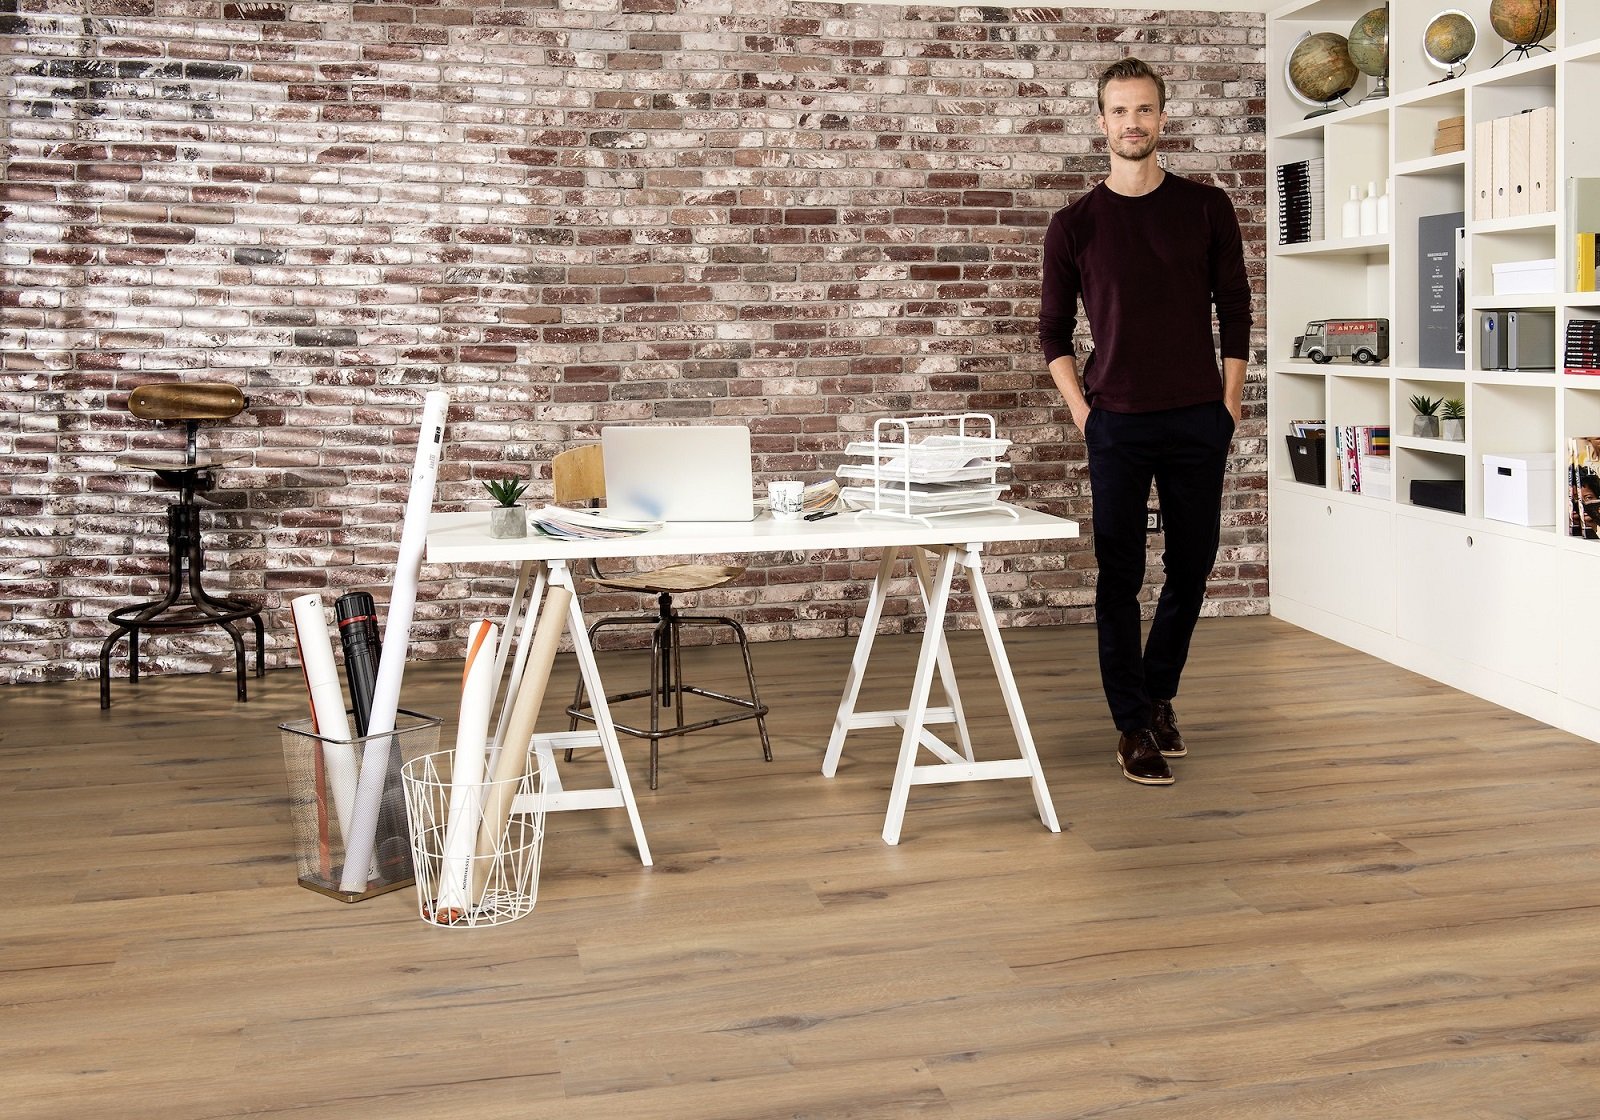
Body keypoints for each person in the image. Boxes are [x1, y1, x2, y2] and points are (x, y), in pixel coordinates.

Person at [1038, 56, 1252, 786]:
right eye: (1120, 111)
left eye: (1144, 110)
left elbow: (1237, 310)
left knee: (1192, 567)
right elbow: (1052, 333)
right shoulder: (1074, 225)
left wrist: (1229, 404)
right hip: (1117, 424)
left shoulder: (1206, 207)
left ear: (1163, 117)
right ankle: (1132, 725)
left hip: (1198, 419)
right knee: (1120, 576)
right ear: (1102, 122)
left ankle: (1158, 694)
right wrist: (1084, 415)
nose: (1133, 123)